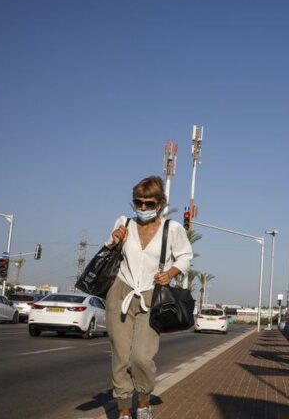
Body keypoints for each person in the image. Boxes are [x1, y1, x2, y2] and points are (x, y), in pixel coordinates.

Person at [106, 176, 193, 419]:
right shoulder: (124, 223)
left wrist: (170, 273)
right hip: (120, 292)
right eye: (138, 202)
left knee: (141, 357)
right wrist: (115, 240)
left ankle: (143, 402)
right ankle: (124, 409)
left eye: (149, 203)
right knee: (121, 356)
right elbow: (109, 249)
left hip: (151, 296)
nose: (143, 208)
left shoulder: (172, 229)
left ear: (160, 204)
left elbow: (185, 257)